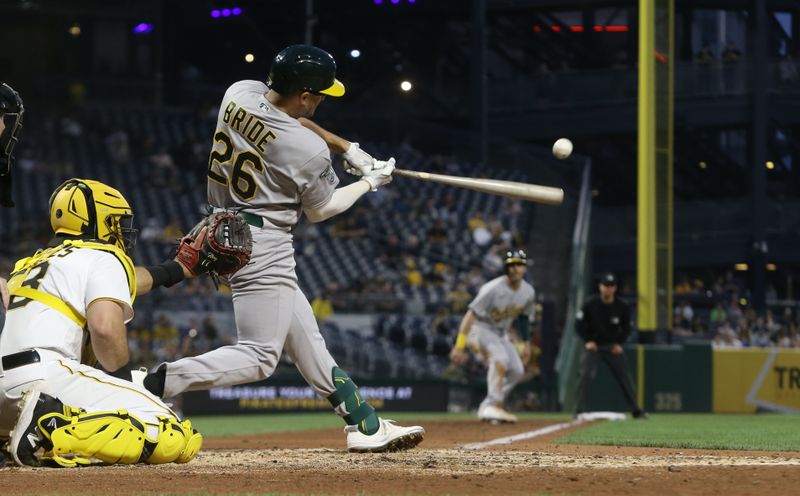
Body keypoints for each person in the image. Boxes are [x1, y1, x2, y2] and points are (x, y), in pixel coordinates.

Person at [136, 44, 424, 452]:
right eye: (320, 94)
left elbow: (285, 120)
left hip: (223, 226)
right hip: (262, 241)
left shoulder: (239, 92)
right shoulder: (306, 150)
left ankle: (365, 423)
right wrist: (369, 183)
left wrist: (347, 148)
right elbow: (323, 209)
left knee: (306, 337)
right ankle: (152, 384)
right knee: (259, 357)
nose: (324, 99)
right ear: (304, 95)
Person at [0, 178, 203, 467]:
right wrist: (121, 381)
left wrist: (175, 270)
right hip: (41, 379)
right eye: (117, 220)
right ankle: (50, 427)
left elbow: (132, 280)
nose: (121, 228)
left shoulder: (28, 264)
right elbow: (105, 328)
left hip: (7, 390)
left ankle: (18, 435)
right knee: (172, 431)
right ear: (101, 221)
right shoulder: (103, 255)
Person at [449, 250, 535, 423]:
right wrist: (460, 345)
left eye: (518, 264)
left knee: (517, 371)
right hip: (480, 328)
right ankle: (495, 405)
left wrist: (526, 343)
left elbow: (524, 318)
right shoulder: (492, 288)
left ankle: (488, 405)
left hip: (501, 333)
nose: (514, 268)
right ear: (506, 267)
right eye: (511, 264)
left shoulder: (528, 292)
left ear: (525, 268)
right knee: (500, 359)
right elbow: (469, 317)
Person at [574, 272, 647, 419]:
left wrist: (619, 344)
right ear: (600, 286)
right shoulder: (590, 304)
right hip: (594, 347)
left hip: (612, 347)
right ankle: (578, 410)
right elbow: (579, 324)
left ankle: (636, 410)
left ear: (615, 288)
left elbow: (627, 328)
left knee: (625, 377)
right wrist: (588, 341)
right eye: (606, 285)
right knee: (585, 375)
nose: (608, 288)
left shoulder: (622, 306)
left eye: (611, 285)